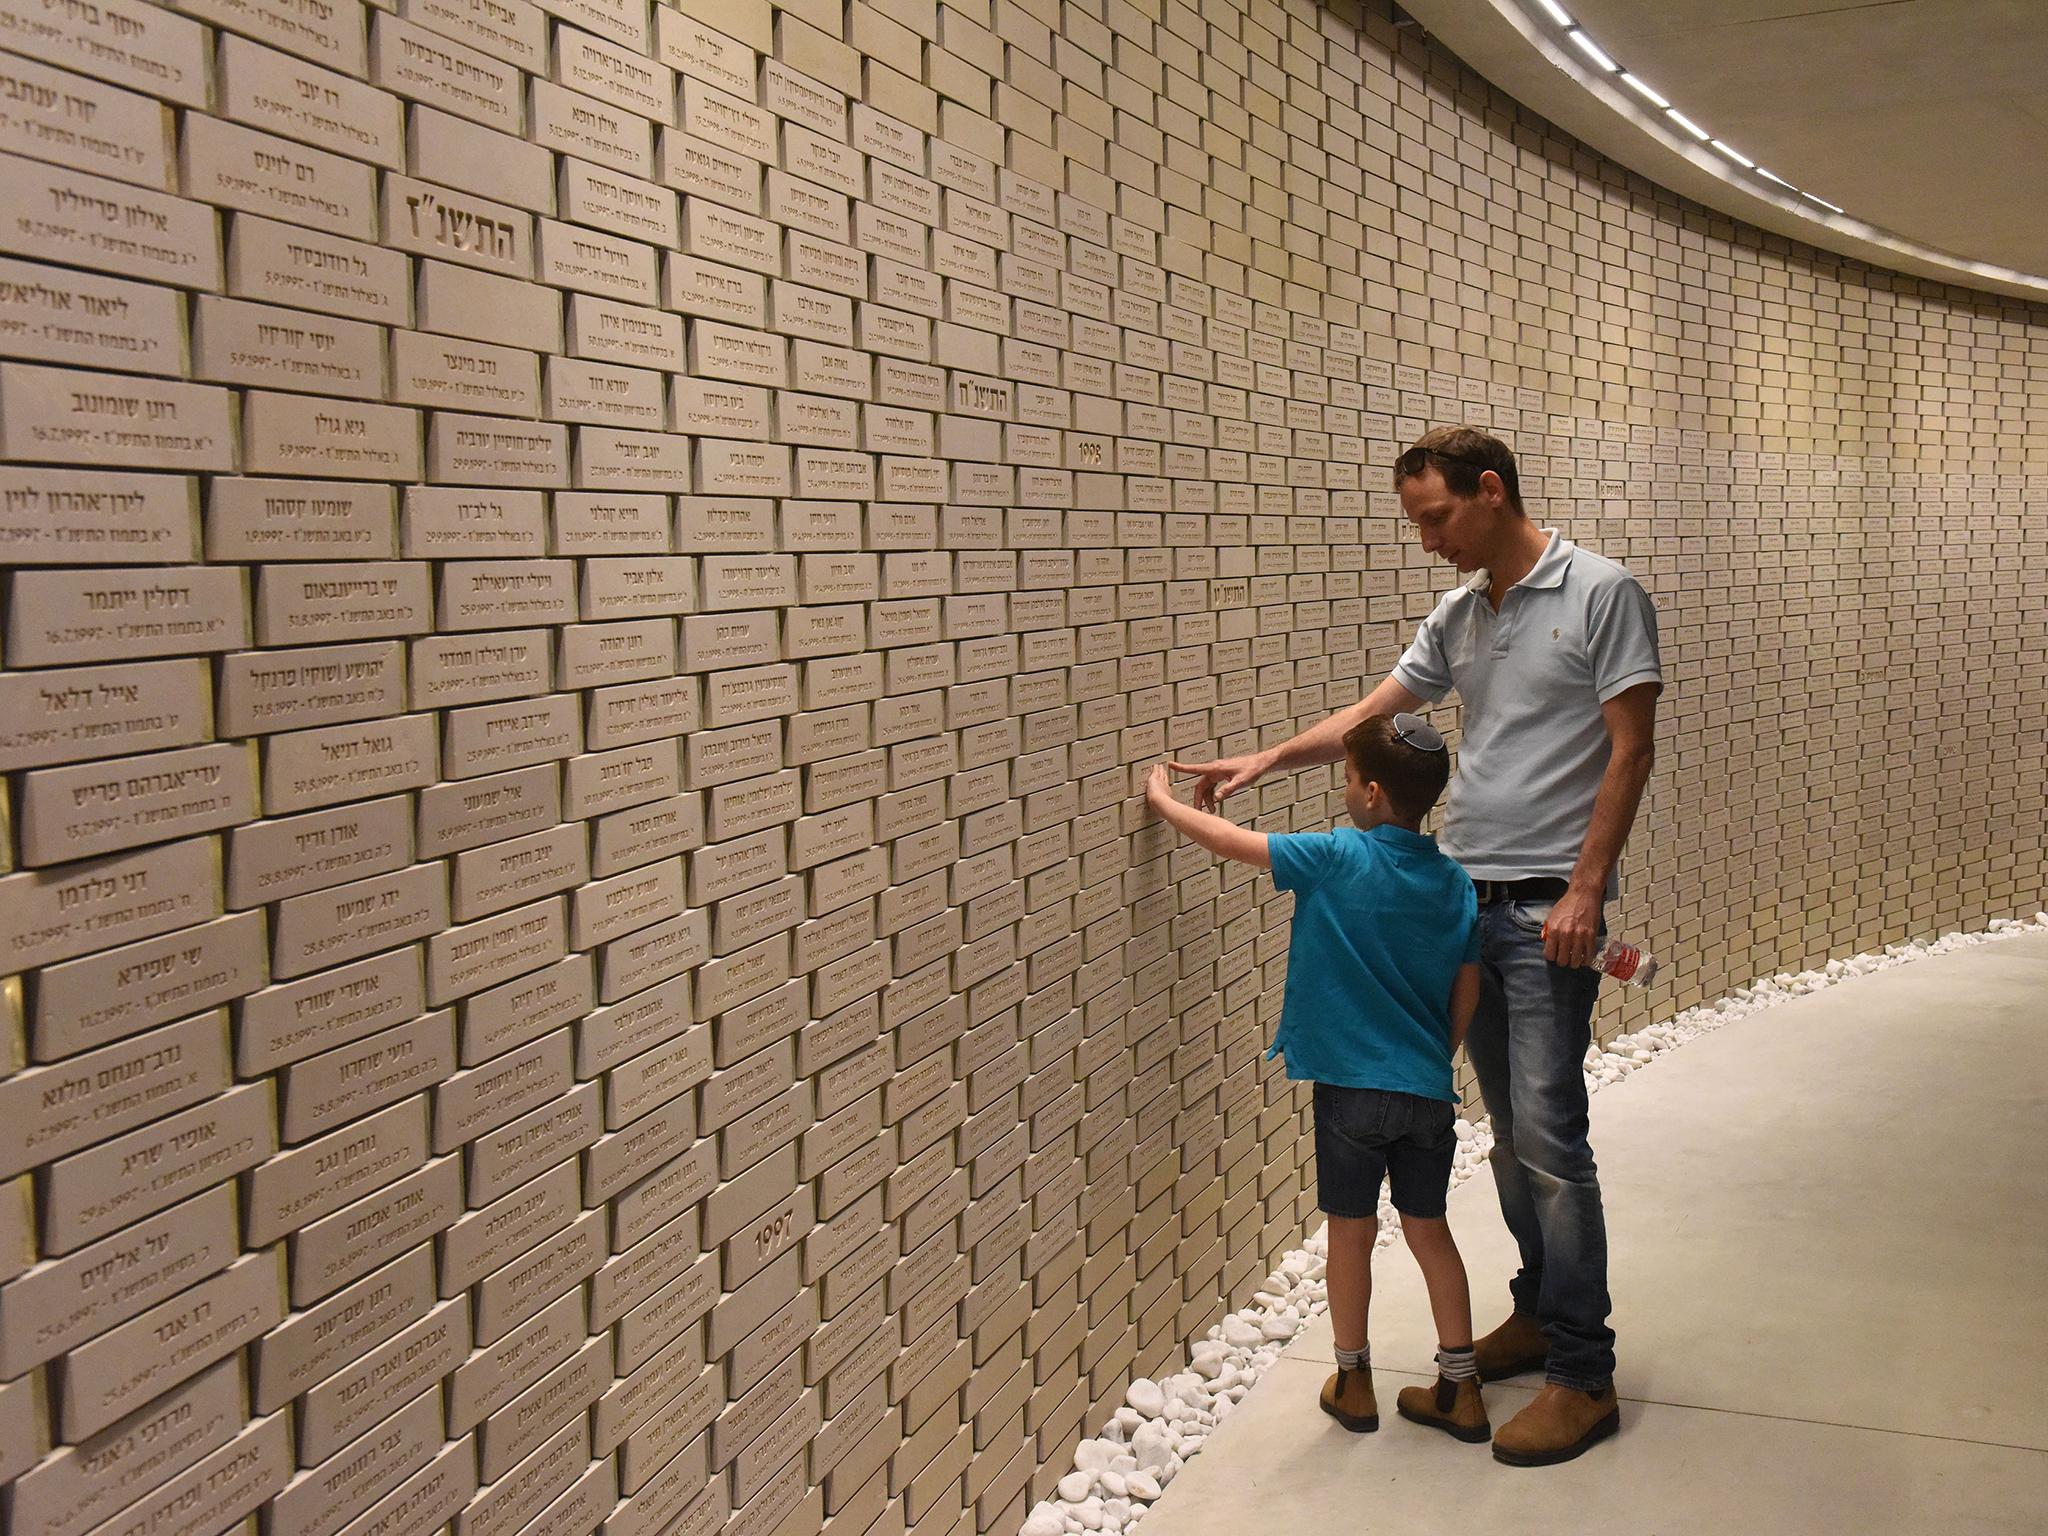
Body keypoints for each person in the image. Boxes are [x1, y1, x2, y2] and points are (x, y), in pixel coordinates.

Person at [1171, 426, 1661, 1467]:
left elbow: (1630, 745)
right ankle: (1535, 1310)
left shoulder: (1600, 593)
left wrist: (1583, 888)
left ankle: (1582, 1372)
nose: (1427, 541)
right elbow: (1373, 713)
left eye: (1435, 518)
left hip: (1544, 915)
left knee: (1550, 1142)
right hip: (1467, 905)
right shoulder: (1461, 613)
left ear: (1490, 492)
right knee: (1507, 1137)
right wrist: (1265, 758)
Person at [1145, 714, 1491, 1447]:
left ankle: (1354, 1379)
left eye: (1343, 780)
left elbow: (1234, 843)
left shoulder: (1338, 857)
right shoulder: (1456, 884)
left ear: (1368, 792)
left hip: (1349, 1092)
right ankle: (1460, 1387)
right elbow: (1467, 991)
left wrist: (1166, 803)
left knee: (1351, 1233)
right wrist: (1432, 1055)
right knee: (1431, 1232)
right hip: (1424, 1089)